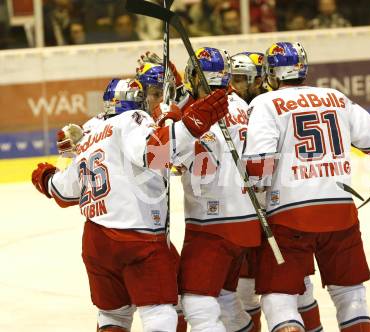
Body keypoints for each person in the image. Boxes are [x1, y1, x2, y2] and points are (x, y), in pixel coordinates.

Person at [31, 77, 229, 332]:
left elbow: (63, 192)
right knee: (160, 312)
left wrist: (46, 178)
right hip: (138, 237)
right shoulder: (132, 118)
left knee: (113, 317)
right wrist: (190, 125)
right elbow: (155, 154)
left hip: (96, 242)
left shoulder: (90, 133)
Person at [243, 41, 370, 332]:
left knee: (278, 296)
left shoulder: (265, 103)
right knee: (350, 293)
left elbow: (258, 166)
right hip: (340, 214)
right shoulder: (334, 97)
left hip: (289, 216)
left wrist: (251, 192)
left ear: (271, 74)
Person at [231, 51, 323, 332]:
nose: (237, 84)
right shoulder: (230, 106)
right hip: (243, 209)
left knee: (298, 285)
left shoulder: (273, 105)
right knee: (246, 290)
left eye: (244, 78)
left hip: (279, 209)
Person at [173, 47, 261, 332]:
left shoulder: (194, 117)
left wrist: (167, 121)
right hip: (249, 221)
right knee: (224, 298)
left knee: (197, 303)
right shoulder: (242, 106)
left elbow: (160, 160)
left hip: (212, 226)